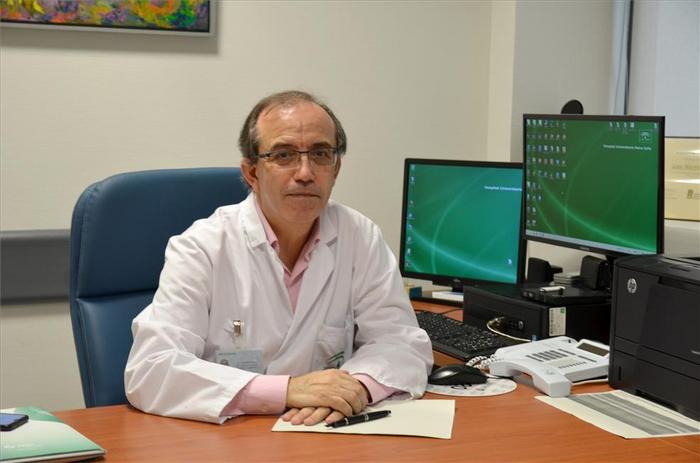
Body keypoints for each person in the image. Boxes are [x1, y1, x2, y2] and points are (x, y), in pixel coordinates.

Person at [124, 90, 433, 425]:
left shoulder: (359, 236)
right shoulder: (202, 248)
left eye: (320, 154)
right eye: (284, 155)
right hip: (230, 436)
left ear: (336, 168)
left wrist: (354, 388)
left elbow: (401, 342)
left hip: (326, 431)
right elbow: (151, 369)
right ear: (251, 173)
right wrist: (286, 391)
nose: (305, 173)